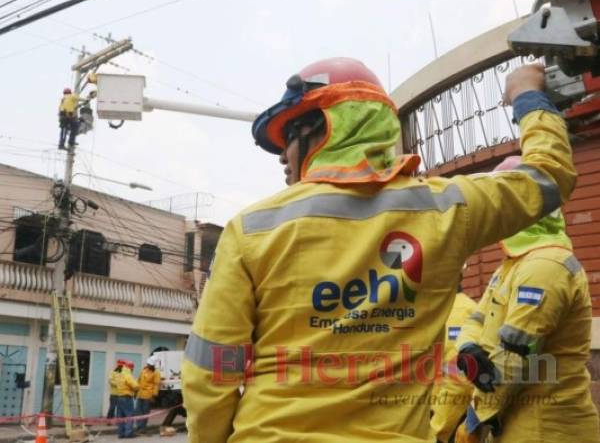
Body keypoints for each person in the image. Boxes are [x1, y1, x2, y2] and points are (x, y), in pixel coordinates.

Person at [181, 58, 577, 443]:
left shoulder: (253, 228)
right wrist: (526, 94)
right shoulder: (446, 209)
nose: (283, 156)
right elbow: (548, 176)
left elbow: (213, 367)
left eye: (289, 138)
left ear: (326, 127)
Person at [453, 156, 600, 443]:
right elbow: (477, 319)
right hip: (515, 425)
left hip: (549, 430)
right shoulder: (512, 266)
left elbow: (514, 362)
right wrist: (469, 346)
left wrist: (472, 422)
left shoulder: (546, 265)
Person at [430, 285, 477, 443]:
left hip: (450, 421)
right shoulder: (440, 309)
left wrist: (436, 431)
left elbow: (460, 379)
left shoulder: (458, 311)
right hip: (442, 417)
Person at [135, 357, 161, 433]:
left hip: (148, 395)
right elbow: (138, 381)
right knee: (138, 411)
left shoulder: (156, 373)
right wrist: (135, 392)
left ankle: (143, 428)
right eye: (148, 364)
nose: (148, 365)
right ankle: (138, 426)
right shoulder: (143, 370)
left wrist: (153, 395)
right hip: (140, 394)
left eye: (150, 364)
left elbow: (156, 385)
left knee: (145, 412)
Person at [115, 360, 138, 439]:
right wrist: (137, 387)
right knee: (129, 415)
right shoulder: (128, 375)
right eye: (132, 369)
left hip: (119, 397)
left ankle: (120, 433)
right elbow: (135, 385)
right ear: (131, 368)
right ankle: (129, 433)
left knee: (120, 416)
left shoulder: (120, 374)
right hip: (127, 397)